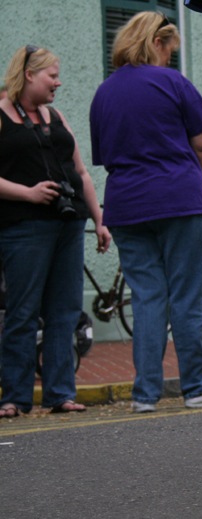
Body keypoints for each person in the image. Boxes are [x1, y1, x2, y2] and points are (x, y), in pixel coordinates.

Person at [90, 12, 202, 412]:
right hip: (178, 198)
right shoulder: (173, 82)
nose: (169, 59)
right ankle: (198, 387)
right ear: (157, 42)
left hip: (125, 205)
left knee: (147, 299)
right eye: (169, 50)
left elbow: (106, 156)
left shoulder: (103, 93)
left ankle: (144, 395)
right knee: (188, 295)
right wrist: (188, 179)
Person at [0, 46, 111, 417]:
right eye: (51, 75)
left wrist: (98, 218)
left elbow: (80, 172)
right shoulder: (1, 116)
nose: (58, 82)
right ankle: (14, 397)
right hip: (23, 227)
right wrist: (28, 193)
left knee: (64, 312)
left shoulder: (56, 115)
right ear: (29, 74)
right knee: (22, 312)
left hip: (68, 224)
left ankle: (60, 394)